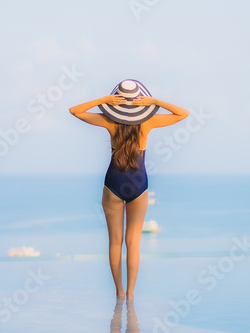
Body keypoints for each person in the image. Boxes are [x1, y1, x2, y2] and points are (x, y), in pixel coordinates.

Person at [69, 79, 189, 299]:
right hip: (138, 185)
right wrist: (155, 102)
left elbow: (75, 111)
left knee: (114, 241)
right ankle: (131, 294)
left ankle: (120, 293)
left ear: (117, 102)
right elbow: (183, 114)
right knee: (133, 243)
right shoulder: (148, 123)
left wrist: (103, 100)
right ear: (141, 103)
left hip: (113, 183)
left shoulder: (109, 121)